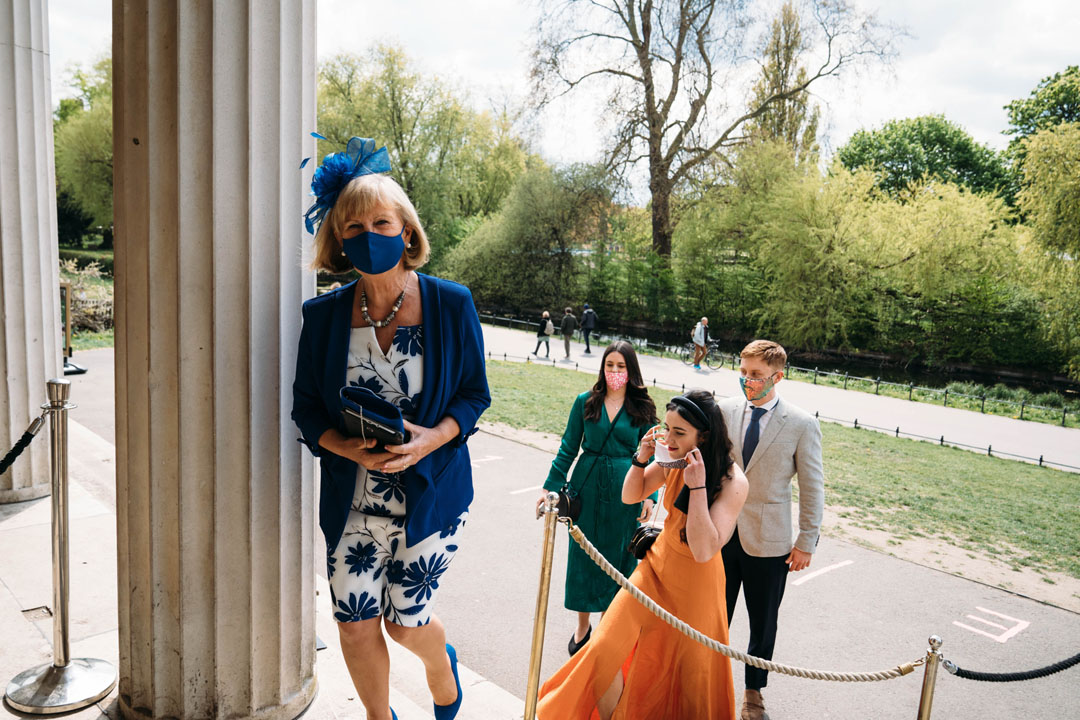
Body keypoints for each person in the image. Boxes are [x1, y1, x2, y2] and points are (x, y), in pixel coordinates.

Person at [292, 137, 490, 720]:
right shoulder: (322, 316)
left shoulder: (452, 305)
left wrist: (435, 435)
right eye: (351, 227)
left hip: (431, 493)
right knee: (354, 627)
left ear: (407, 232)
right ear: (337, 240)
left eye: (380, 221)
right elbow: (306, 408)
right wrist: (342, 446)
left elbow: (475, 394)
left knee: (406, 626)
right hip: (353, 498)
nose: (366, 235)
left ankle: (439, 664)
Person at [537, 389, 748, 719]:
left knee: (691, 681)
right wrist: (641, 456)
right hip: (654, 570)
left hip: (697, 586)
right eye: (667, 428)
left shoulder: (733, 480)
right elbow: (631, 494)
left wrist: (696, 487)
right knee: (604, 649)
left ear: (703, 437)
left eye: (680, 432)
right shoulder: (671, 456)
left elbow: (704, 549)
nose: (670, 438)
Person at [719, 340, 823, 720]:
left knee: (763, 623)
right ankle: (707, 680)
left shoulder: (801, 423)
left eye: (757, 375)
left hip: (771, 541)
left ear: (778, 377)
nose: (748, 380)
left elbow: (813, 487)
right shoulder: (724, 410)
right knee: (714, 615)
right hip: (721, 533)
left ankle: (753, 693)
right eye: (744, 372)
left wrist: (805, 542)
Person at [537, 341, 659, 658]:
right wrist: (550, 487)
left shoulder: (643, 408)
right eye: (609, 365)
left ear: (631, 371)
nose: (614, 372)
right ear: (602, 368)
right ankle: (582, 626)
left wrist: (650, 494)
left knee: (620, 558)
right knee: (583, 557)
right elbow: (568, 447)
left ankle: (608, 624)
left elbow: (652, 456)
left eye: (621, 366)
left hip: (626, 490)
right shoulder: (585, 402)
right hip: (586, 488)